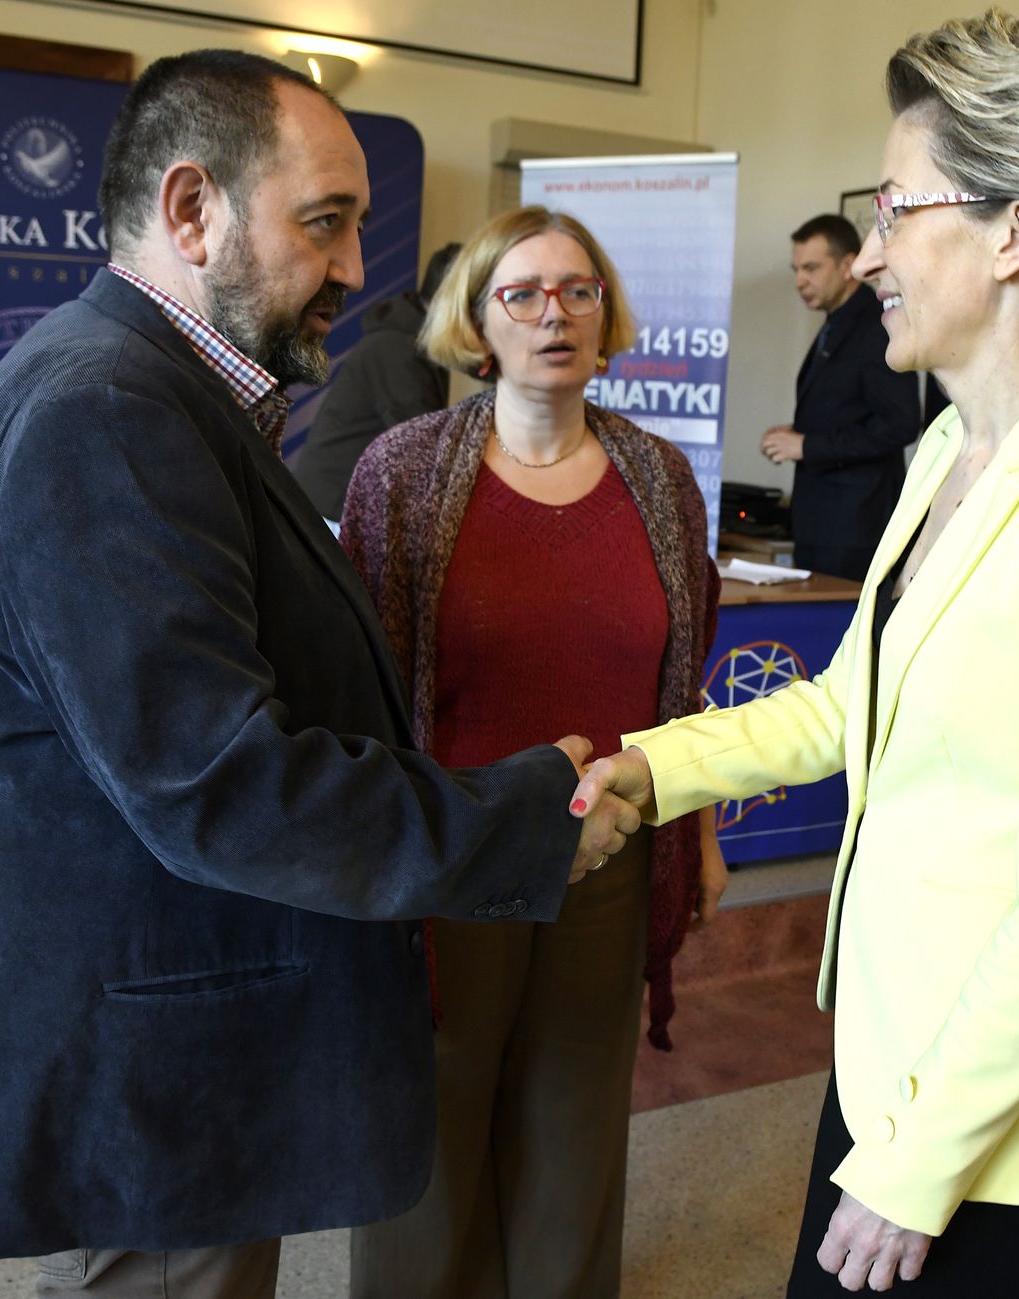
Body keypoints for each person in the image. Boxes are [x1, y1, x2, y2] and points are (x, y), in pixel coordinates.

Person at [0, 52, 638, 1296]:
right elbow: (220, 782)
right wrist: (516, 821)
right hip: (155, 1043)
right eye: (324, 223)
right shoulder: (107, 411)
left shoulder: (149, 390)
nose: (352, 268)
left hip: (174, 1018)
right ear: (192, 211)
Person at [575, 13, 1019, 1295]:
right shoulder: (946, 452)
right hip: (896, 1052)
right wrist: (653, 768)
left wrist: (914, 1162)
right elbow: (844, 705)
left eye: (892, 209)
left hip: (991, 1117)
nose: (866, 254)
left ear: (1011, 232)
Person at [339, 205, 725, 1299]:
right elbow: (365, 694)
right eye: (522, 292)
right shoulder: (404, 471)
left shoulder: (657, 478)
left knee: (576, 1119)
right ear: (476, 321)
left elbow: (680, 683)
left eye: (578, 291)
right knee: (436, 1118)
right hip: (452, 858)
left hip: (609, 851)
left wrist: (695, 834)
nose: (554, 313)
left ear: (606, 316)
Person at [761, 213, 922, 581]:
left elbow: (900, 423)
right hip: (825, 526)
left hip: (855, 532)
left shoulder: (877, 325)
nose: (800, 281)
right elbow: (847, 410)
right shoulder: (838, 322)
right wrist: (797, 434)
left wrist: (807, 445)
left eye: (812, 268)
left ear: (848, 266)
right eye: (797, 270)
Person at [292, 241, 460, 520]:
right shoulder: (398, 348)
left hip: (340, 506)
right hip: (333, 510)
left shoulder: (410, 337)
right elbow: (428, 450)